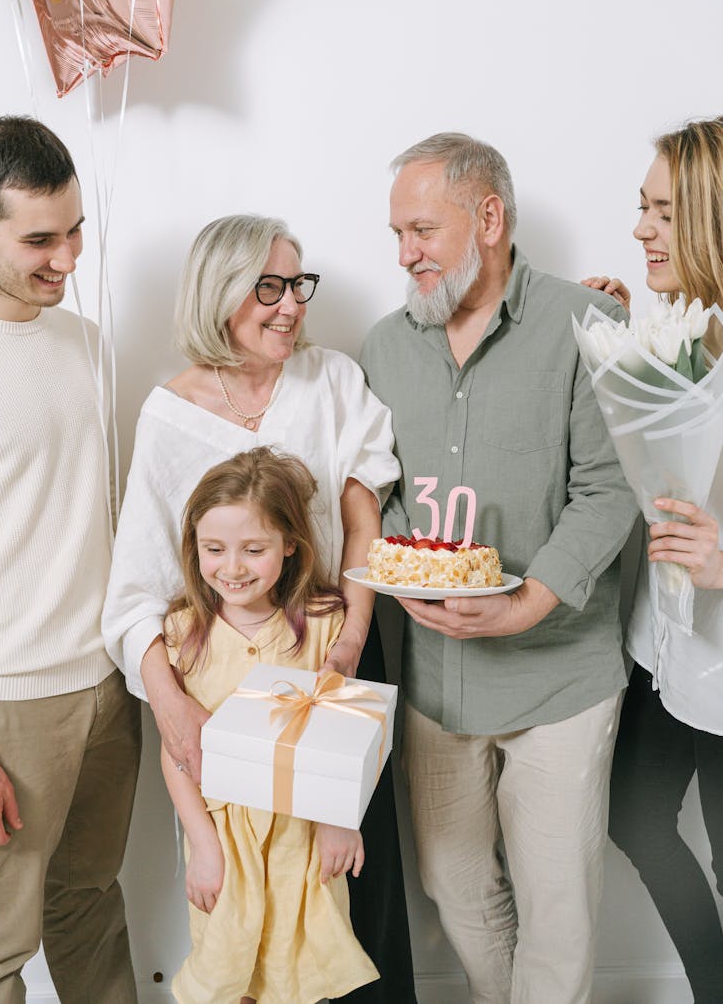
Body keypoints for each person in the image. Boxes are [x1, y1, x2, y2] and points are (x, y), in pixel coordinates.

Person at [102, 214, 417, 1002]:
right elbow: (137, 586)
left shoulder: (332, 378)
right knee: (241, 891)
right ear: (219, 293)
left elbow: (360, 509)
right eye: (267, 287)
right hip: (221, 669)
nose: (289, 306)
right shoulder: (169, 414)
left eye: (297, 285)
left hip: (328, 646)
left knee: (348, 884)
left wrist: (351, 635)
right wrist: (173, 705)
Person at [360, 132, 639, 1003]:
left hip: (561, 672)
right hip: (439, 676)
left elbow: (610, 487)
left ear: (488, 219)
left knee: (559, 908)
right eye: (397, 234)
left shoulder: (590, 324)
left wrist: (527, 604)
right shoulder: (384, 345)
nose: (406, 254)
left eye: (422, 230)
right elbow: (382, 492)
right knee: (451, 885)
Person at [0, 116, 141, 1001]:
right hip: (3, 706)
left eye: (76, 230)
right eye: (39, 239)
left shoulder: (86, 344)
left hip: (107, 688)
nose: (68, 258)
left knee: (91, 905)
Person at [584, 117, 723, 1004]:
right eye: (642, 208)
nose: (641, 229)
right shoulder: (687, 338)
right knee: (634, 814)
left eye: (663, 212)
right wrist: (631, 342)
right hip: (662, 646)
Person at [163, 447, 380, 1002]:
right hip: (224, 839)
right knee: (229, 970)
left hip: (301, 837)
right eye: (214, 549)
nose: (232, 568)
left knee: (303, 972)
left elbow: (346, 741)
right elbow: (177, 751)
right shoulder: (185, 632)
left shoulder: (326, 626)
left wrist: (339, 820)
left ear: (289, 545)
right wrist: (202, 844)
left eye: (253, 549)